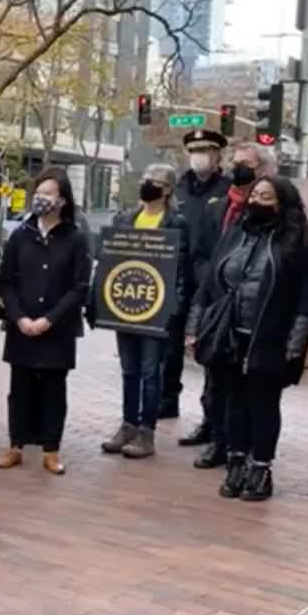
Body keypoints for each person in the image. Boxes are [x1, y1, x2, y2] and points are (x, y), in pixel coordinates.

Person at [187, 176, 308, 502]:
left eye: (266, 196)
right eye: (255, 195)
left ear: (282, 203)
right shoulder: (236, 233)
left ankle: (260, 468)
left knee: (262, 405)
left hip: (270, 338)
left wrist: (295, 344)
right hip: (228, 334)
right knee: (232, 402)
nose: (257, 201)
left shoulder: (300, 241)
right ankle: (236, 462)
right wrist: (195, 326)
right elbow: (208, 285)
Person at [184, 141, 278, 469]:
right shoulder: (219, 204)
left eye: (246, 164)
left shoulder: (275, 210)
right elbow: (201, 251)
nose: (238, 168)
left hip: (250, 310)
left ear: (264, 170)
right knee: (214, 378)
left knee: (243, 386)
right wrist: (212, 284)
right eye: (235, 162)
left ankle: (241, 443)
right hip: (214, 302)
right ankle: (216, 434)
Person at [0, 168, 90, 475]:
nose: (41, 198)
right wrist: (19, 316)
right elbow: (5, 281)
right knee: (19, 388)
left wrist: (49, 320)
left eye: (48, 193)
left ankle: (51, 449)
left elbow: (79, 287)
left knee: (53, 390)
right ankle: (16, 445)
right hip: (21, 327)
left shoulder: (75, 238)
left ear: (62, 200)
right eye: (39, 192)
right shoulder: (20, 235)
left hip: (56, 329)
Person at [100, 164, 191, 459]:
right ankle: (127, 424)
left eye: (152, 181)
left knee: (151, 372)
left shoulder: (176, 223)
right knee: (130, 370)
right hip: (126, 305)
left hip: (156, 308)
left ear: (166, 189)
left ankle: (146, 431)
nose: (145, 185)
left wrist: (173, 307)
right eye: (144, 179)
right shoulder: (126, 218)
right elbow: (112, 258)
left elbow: (181, 269)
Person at [172, 129, 230, 431]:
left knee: (210, 350)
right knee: (169, 343)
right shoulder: (178, 188)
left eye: (205, 151)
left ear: (218, 155)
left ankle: (210, 419)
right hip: (176, 276)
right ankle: (166, 403)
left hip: (210, 279)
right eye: (194, 151)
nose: (199, 157)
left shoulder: (227, 189)